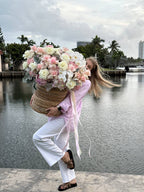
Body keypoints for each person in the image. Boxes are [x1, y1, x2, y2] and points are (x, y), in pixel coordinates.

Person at [32, 56, 118, 191]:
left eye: (88, 67)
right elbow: (54, 91)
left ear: (91, 71)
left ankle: (65, 156)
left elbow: (71, 100)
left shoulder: (86, 83)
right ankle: (70, 180)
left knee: (38, 137)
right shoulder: (70, 77)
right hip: (57, 116)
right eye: (84, 64)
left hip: (66, 117)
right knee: (61, 146)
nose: (85, 68)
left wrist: (59, 108)